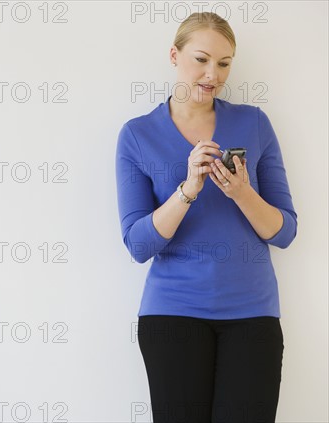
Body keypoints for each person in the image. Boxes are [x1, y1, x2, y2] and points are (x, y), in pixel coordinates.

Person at [114, 12, 297, 423]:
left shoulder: (254, 123)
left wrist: (242, 192)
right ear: (174, 55)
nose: (212, 74)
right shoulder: (137, 135)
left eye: (224, 63)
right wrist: (188, 190)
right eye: (201, 59)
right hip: (172, 315)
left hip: (252, 315)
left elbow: (284, 231)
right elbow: (139, 245)